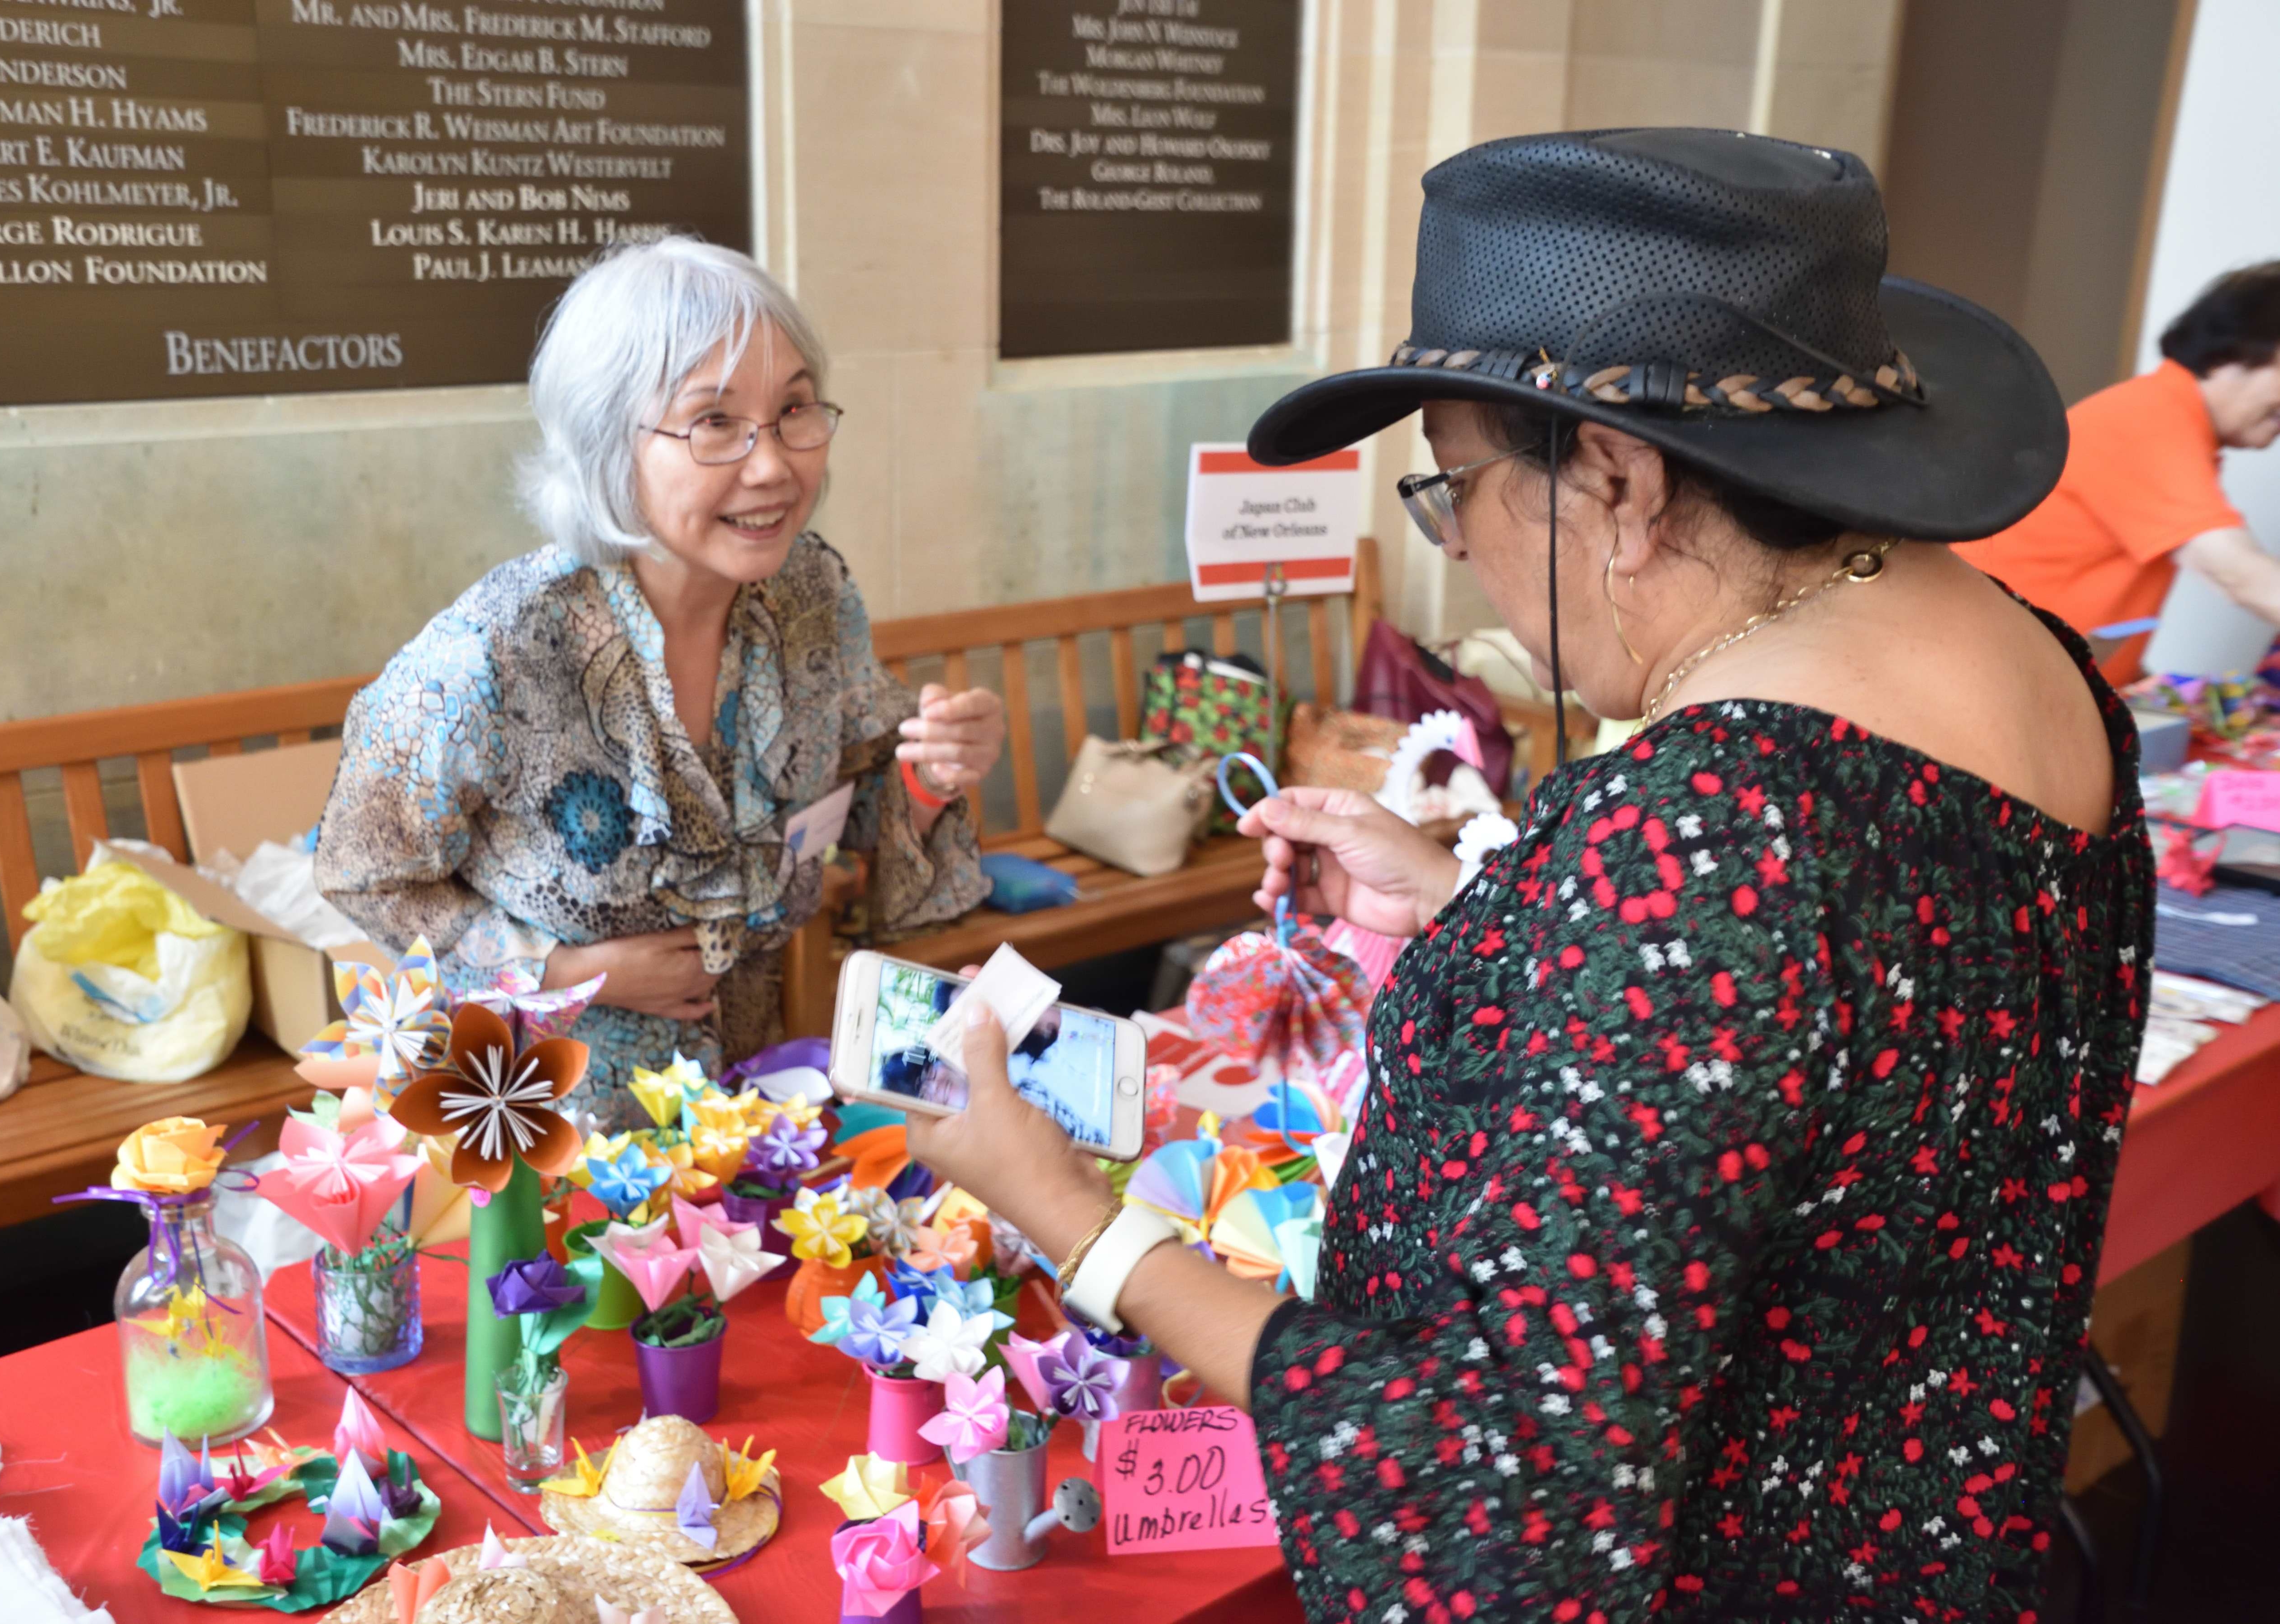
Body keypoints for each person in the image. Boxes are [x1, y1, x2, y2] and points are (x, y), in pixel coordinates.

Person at [907, 129, 2152, 1619]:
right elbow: (1818, 1030)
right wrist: (1470, 906)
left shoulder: (1706, 818)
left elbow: (1491, 1474)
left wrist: (1070, 1213)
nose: (1457, 553)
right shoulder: (2028, 667)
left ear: (1618, 478)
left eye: (1455, 488)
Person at [317, 237, 1004, 1124]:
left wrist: (928, 772)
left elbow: (854, 809)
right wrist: (564, 972)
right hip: (542, 1125)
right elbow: (360, 868)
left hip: (756, 1102)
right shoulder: (499, 646)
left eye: (794, 408)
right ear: (608, 439)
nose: (772, 464)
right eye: (714, 422)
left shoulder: (809, 595)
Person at [1958, 262, 2280, 681]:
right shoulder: (2151, 420)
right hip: (1991, 682)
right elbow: (2233, 569)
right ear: (2231, 355)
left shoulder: (2172, 424)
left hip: (2023, 680)